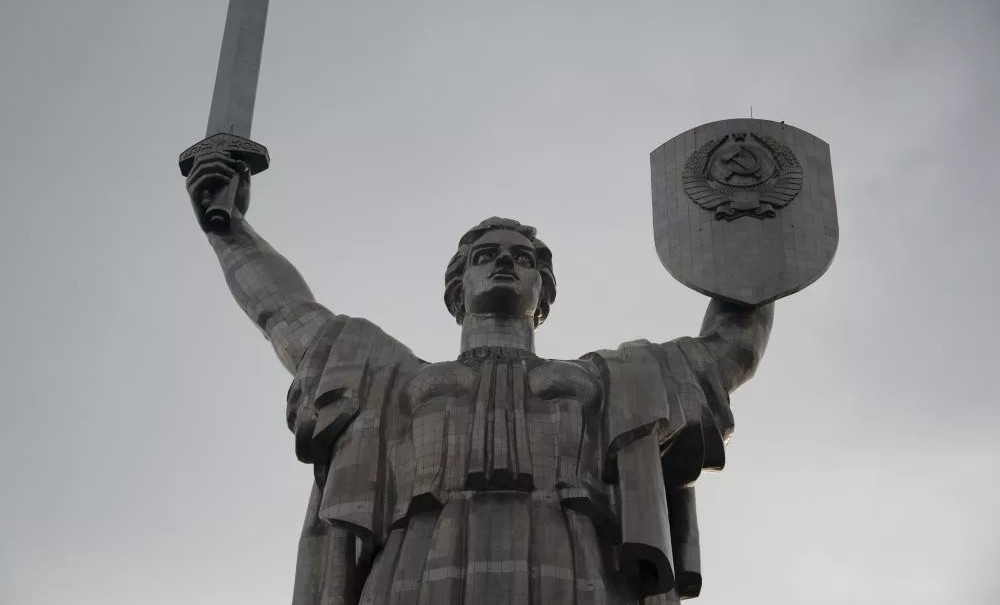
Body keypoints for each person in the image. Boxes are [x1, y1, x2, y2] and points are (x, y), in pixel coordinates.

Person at [185, 152, 774, 605]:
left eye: (523, 258)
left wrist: (756, 233)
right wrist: (228, 228)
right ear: (456, 287)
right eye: (485, 255)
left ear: (542, 292)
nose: (504, 262)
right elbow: (286, 313)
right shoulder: (390, 377)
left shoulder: (608, 379)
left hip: (574, 561)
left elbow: (728, 350)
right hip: (418, 561)